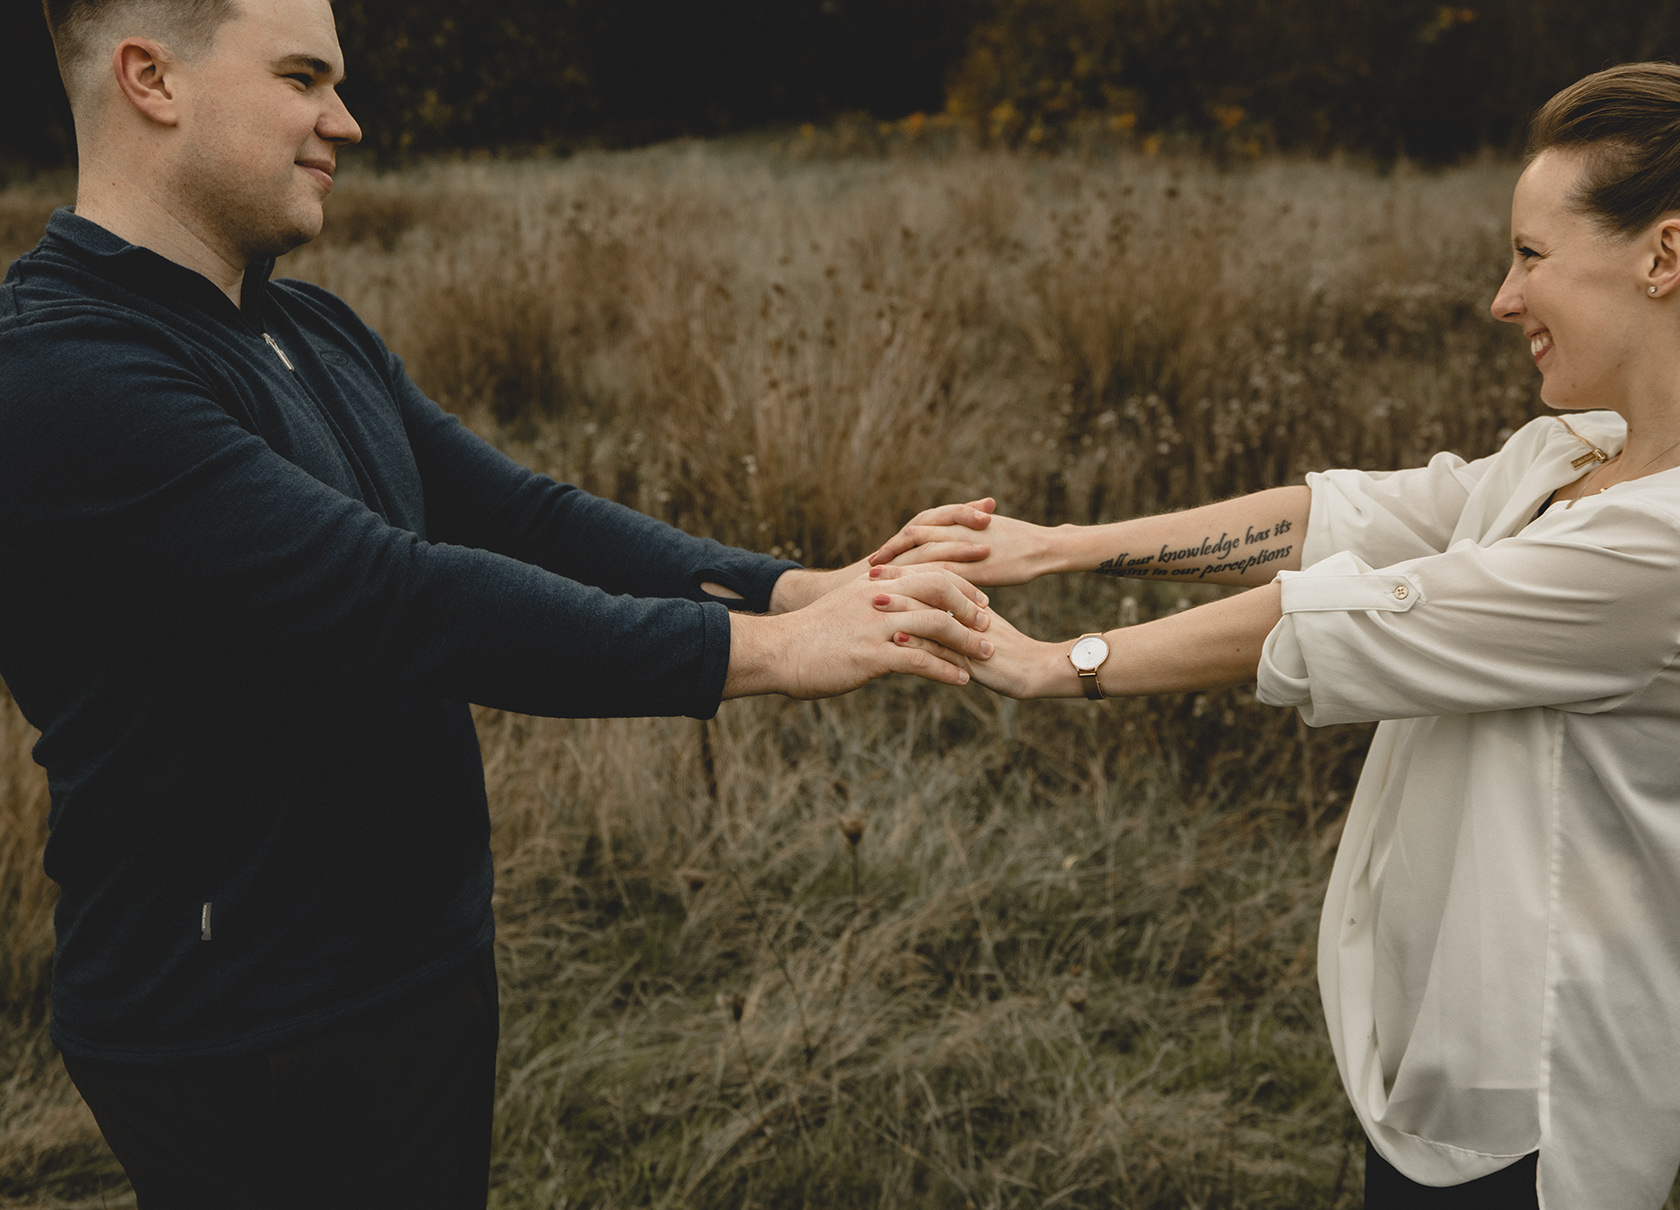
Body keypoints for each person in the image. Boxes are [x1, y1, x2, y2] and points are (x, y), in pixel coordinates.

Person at [2, 0, 995, 1205]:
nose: (345, 122)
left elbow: (519, 515)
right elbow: (394, 599)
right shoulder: (60, 372)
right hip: (243, 1018)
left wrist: (799, 583)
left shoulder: (305, 324)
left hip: (405, 964)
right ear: (151, 79)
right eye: (304, 77)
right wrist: (771, 652)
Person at [874, 62, 1680, 1210]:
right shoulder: (1576, 454)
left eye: (1528, 256)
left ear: (1661, 259)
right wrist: (1058, 544)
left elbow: (1347, 617)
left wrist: (1051, 666)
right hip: (1446, 1063)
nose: (1500, 300)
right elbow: (1349, 518)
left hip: (1537, 1104)